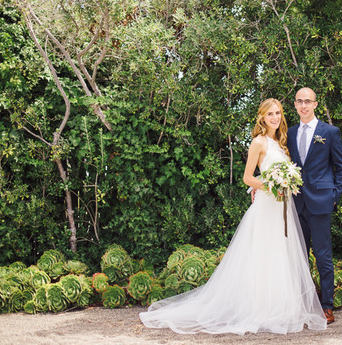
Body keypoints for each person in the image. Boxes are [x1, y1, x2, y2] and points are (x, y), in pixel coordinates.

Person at [139, 98, 327, 334]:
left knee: (281, 254)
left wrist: (286, 183)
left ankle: (281, 306)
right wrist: (271, 186)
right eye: (270, 114)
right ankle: (260, 308)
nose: (275, 118)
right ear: (262, 117)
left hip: (282, 208)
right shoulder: (258, 143)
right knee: (263, 255)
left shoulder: (281, 142)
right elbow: (247, 177)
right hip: (267, 207)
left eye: (278, 113)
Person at [286, 87, 342, 324]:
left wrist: (334, 195)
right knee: (298, 256)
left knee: (323, 257)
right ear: (295, 105)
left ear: (315, 104)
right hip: (296, 202)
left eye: (308, 101)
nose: (303, 105)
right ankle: (303, 303)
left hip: (321, 202)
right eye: (299, 101)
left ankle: (326, 306)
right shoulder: (290, 133)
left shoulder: (329, 132)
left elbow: (341, 167)